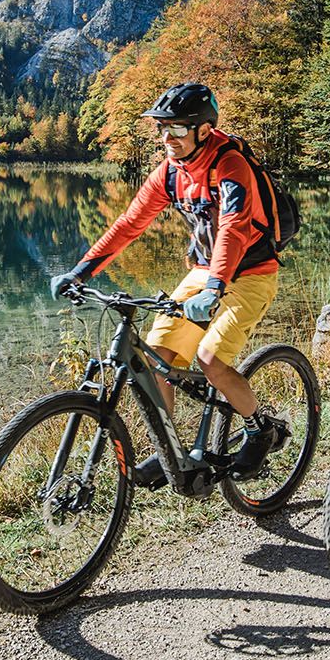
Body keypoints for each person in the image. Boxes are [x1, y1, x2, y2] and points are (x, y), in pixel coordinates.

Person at [51, 83, 290, 484]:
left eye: (177, 130)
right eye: (162, 130)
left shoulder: (231, 165)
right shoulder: (170, 173)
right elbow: (130, 224)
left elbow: (233, 228)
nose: (167, 139)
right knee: (156, 356)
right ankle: (170, 451)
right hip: (203, 271)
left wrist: (215, 288)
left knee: (211, 359)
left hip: (250, 274)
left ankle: (259, 428)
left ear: (203, 129)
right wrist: (81, 270)